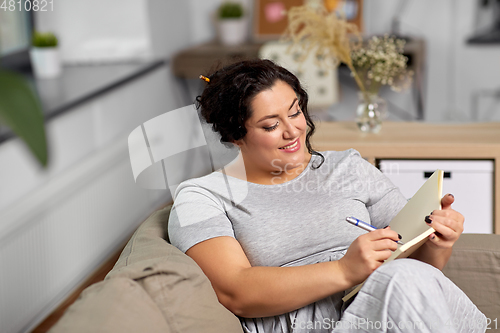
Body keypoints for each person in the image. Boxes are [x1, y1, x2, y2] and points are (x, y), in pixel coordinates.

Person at [168, 59, 486, 333]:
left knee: (406, 276)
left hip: (396, 305)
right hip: (315, 323)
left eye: (295, 113)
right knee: (401, 277)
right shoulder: (202, 197)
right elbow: (234, 291)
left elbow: (418, 271)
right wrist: (344, 270)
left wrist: (437, 244)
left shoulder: (347, 166)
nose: (293, 131)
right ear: (235, 134)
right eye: (270, 126)